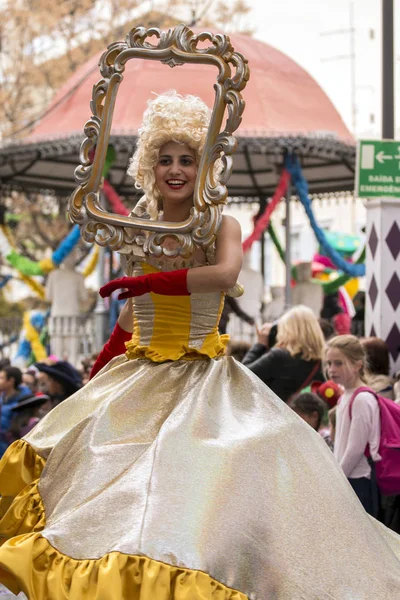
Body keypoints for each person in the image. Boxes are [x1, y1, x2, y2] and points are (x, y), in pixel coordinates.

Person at [1, 91, 400, 600]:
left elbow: (226, 273)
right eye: (165, 158)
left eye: (187, 158)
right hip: (138, 379)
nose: (175, 169)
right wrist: (99, 371)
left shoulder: (220, 225)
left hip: (204, 380)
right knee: (105, 488)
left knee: (208, 486)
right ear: (150, 164)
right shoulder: (136, 229)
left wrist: (153, 284)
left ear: (205, 164)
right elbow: (129, 313)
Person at [325, 335, 381, 517]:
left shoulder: (362, 399)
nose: (332, 369)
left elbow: (355, 449)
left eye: (339, 363)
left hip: (358, 482)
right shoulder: (345, 396)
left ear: (357, 365)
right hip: (347, 479)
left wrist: (336, 480)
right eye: (329, 363)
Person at [242, 305, 325, 402]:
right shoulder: (323, 361)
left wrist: (261, 344)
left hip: (278, 415)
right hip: (306, 416)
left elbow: (242, 375)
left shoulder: (279, 356)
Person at [0, 366, 32, 456]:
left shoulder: (23, 404)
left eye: (2, 378)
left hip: (10, 450)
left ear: (11, 381)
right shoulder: (2, 398)